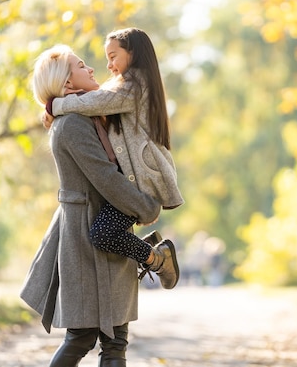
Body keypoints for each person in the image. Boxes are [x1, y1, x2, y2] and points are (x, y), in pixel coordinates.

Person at [20, 45, 171, 367]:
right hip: (86, 236)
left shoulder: (89, 115)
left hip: (108, 226)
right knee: (82, 336)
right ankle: (156, 258)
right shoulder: (72, 124)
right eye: (81, 66)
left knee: (115, 341)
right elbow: (105, 177)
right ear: (67, 85)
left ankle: (156, 258)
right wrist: (146, 208)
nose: (92, 69)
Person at [44, 28, 183, 288]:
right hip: (136, 178)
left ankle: (159, 258)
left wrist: (55, 105)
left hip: (143, 181)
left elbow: (93, 102)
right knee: (106, 232)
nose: (108, 65)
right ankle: (150, 249)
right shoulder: (123, 86)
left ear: (133, 54)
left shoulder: (135, 85)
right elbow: (94, 98)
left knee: (103, 233)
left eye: (113, 56)